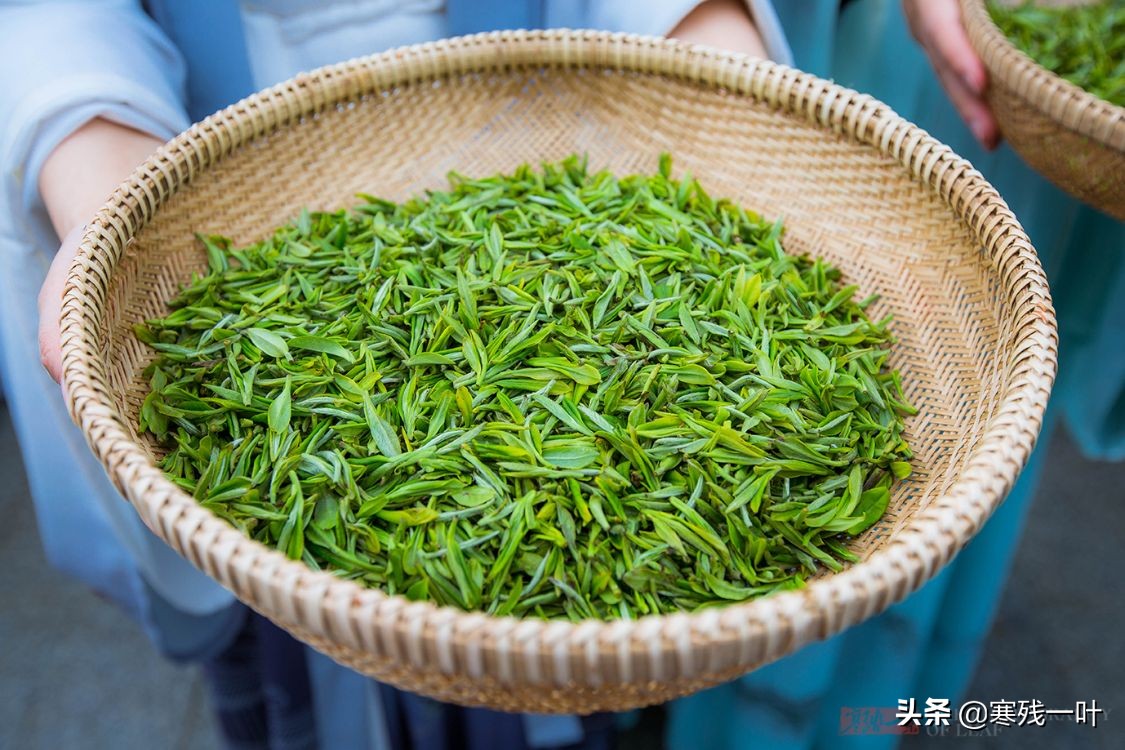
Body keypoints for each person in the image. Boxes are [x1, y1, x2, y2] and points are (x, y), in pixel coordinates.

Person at [2, 1, 1121, 748]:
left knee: (607, 664)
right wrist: (97, 164)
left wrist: (710, 51)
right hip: (203, 108)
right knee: (306, 619)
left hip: (573, 73)